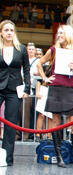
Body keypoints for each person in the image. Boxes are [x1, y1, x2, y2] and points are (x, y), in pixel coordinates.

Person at [36, 24, 73, 168]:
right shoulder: (53, 50)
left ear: (69, 34)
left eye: (61, 33)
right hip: (56, 88)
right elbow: (39, 63)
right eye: (58, 33)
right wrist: (45, 78)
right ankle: (59, 156)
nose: (59, 35)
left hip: (70, 90)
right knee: (55, 122)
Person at [0, 20, 30, 166]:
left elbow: (26, 69)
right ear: (1, 33)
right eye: (6, 30)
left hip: (14, 90)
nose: (9, 33)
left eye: (11, 30)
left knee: (10, 124)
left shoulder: (21, 49)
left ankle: (7, 158)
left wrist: (27, 88)